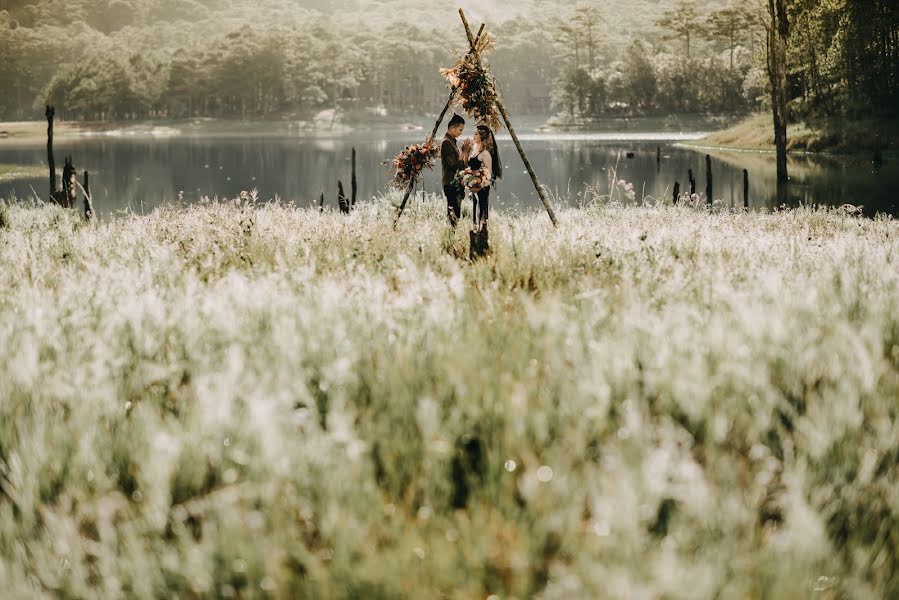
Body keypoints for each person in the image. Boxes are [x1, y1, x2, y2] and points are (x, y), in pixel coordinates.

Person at [468, 124, 502, 231]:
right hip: (474, 185)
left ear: (482, 136)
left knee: (482, 208)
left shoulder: (485, 153)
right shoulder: (474, 151)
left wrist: (479, 182)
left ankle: (483, 231)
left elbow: (488, 174)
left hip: (482, 186)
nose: (473, 136)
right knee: (475, 208)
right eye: (474, 133)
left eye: (476, 134)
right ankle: (475, 230)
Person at [441, 114, 471, 227]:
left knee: (456, 213)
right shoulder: (446, 143)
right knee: (453, 214)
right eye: (460, 130)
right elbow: (454, 165)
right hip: (450, 183)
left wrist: (466, 152)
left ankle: (451, 236)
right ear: (452, 128)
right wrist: (464, 151)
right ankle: (449, 237)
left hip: (455, 183)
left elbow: (462, 165)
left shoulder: (452, 142)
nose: (461, 133)